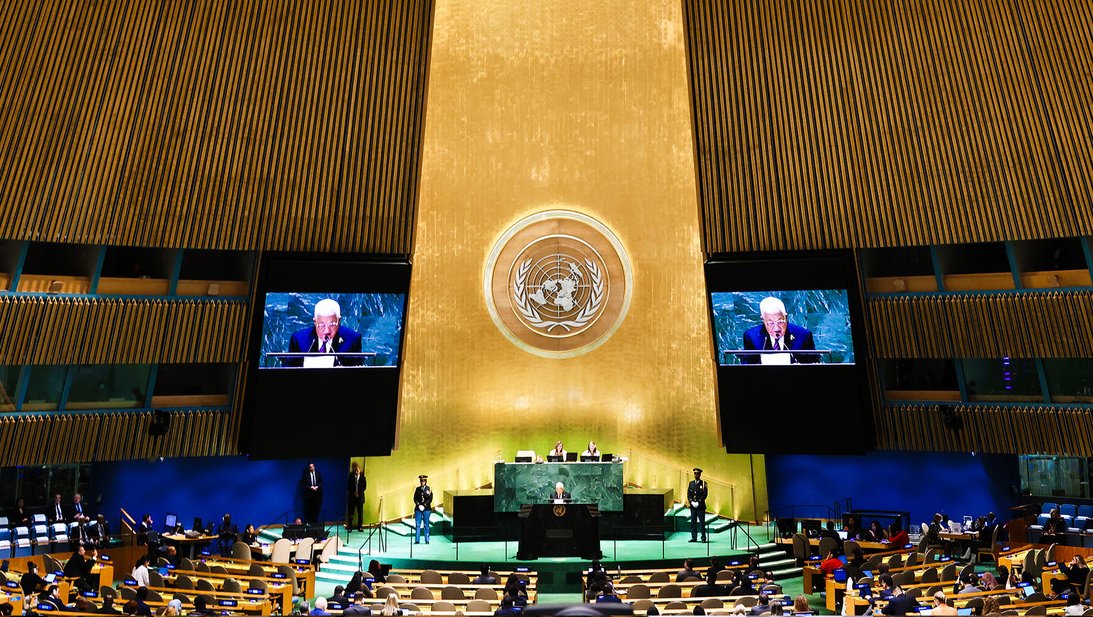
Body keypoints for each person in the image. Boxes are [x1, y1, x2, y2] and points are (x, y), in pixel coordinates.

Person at [285, 298, 364, 367]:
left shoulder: (352, 339)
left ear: (339, 321)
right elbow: (288, 369)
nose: (327, 331)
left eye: (332, 325)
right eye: (321, 325)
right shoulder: (299, 339)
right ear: (315, 322)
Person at [740, 297, 818, 364]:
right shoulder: (751, 337)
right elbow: (747, 365)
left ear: (786, 317)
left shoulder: (803, 336)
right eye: (770, 323)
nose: (776, 329)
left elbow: (813, 363)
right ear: (763, 320)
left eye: (780, 322)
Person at [688, 467, 708, 543]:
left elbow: (705, 494)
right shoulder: (691, 483)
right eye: (695, 473)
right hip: (693, 507)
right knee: (693, 523)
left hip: (700, 507)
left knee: (702, 523)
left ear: (700, 474)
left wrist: (698, 502)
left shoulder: (703, 483)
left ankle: (703, 537)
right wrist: (691, 502)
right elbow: (689, 494)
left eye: (697, 473)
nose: (696, 475)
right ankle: (694, 537)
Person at [347, 462, 367, 532]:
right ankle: (349, 527)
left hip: (360, 498)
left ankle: (360, 527)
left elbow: (364, 487)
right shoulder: (350, 477)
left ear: (359, 470)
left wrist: (358, 493)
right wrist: (354, 493)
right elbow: (348, 486)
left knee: (360, 513)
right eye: (355, 471)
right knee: (351, 513)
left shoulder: (363, 477)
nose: (356, 472)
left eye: (357, 471)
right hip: (352, 498)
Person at [413, 474, 432, 544]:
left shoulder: (429, 489)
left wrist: (424, 505)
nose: (422, 482)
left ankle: (427, 540)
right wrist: (418, 504)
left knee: (426, 524)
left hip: (426, 509)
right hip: (418, 509)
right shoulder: (417, 489)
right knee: (418, 524)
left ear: (425, 482)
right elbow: (415, 498)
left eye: (423, 481)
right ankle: (417, 540)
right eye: (421, 481)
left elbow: (430, 499)